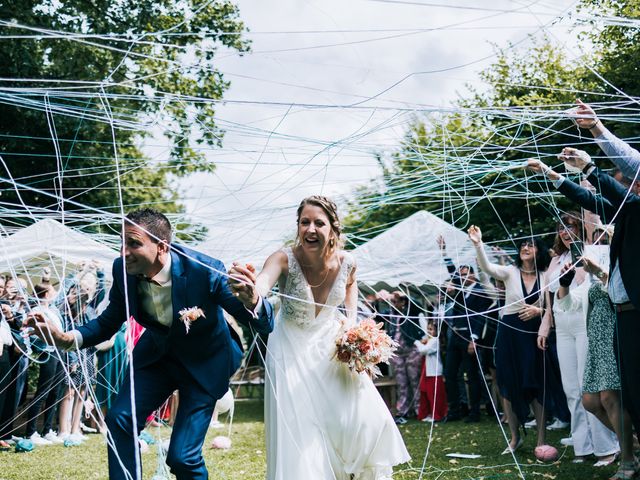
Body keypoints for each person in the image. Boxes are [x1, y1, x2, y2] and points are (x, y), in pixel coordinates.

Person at [26, 208, 275, 480]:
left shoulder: (205, 271)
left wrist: (253, 301)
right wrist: (65, 338)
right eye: (122, 243)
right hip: (157, 358)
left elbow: (262, 324)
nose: (125, 251)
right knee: (119, 419)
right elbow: (107, 322)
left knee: (182, 457)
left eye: (134, 243)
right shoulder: (123, 271)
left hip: (206, 363)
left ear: (162, 247)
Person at [239, 195, 409, 479]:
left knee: (361, 416)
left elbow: (351, 284)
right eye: (304, 222)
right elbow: (262, 285)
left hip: (331, 346)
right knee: (302, 427)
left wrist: (353, 324)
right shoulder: (283, 258)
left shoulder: (347, 262)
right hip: (290, 349)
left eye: (319, 223)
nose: (310, 229)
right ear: (298, 227)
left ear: (332, 228)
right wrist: (251, 292)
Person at [539, 213, 618, 463]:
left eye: (570, 226)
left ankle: (606, 447)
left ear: (579, 227)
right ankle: (583, 446)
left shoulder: (590, 251)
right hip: (562, 325)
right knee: (571, 388)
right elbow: (550, 300)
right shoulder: (555, 260)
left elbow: (596, 283)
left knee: (589, 386)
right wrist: (545, 324)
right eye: (561, 227)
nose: (565, 231)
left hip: (584, 320)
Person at [468, 227, 552, 454]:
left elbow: (553, 306)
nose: (525, 247)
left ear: (539, 251)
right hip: (510, 333)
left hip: (534, 335)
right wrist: (478, 244)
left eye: (531, 245)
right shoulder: (510, 272)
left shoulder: (546, 275)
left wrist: (539, 310)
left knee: (536, 383)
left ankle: (541, 439)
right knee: (507, 383)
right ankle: (515, 438)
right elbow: (487, 267)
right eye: (523, 244)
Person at [555, 259, 636, 478]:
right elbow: (568, 305)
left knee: (610, 398)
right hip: (596, 342)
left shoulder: (621, 266)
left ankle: (628, 461)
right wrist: (564, 283)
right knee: (590, 401)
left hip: (614, 336)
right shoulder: (590, 279)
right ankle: (633, 442)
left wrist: (600, 271)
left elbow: (621, 290)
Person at [386, 290, 424, 424]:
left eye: (396, 301)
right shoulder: (391, 314)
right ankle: (403, 411)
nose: (394, 304)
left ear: (403, 302)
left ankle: (419, 409)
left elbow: (416, 304)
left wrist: (404, 295)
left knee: (414, 380)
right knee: (401, 383)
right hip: (397, 353)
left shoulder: (411, 312)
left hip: (411, 351)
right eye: (393, 302)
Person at [415, 321, 447, 422]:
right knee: (425, 392)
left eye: (431, 329)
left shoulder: (435, 341)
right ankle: (428, 413)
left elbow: (424, 350)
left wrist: (417, 342)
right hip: (427, 371)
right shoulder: (429, 340)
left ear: (437, 331)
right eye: (428, 329)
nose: (429, 331)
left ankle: (437, 414)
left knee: (434, 394)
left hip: (434, 372)